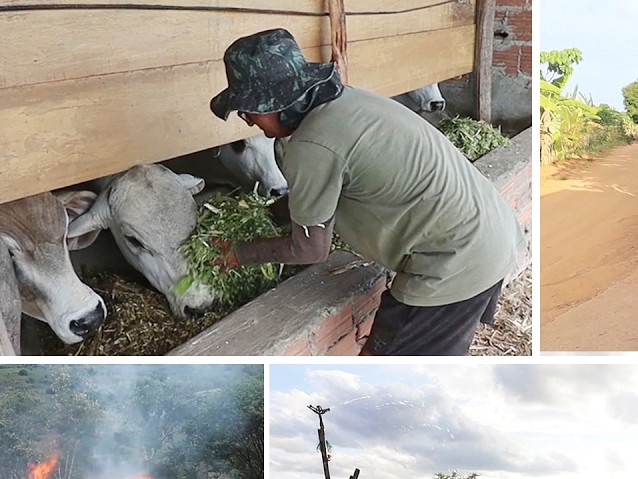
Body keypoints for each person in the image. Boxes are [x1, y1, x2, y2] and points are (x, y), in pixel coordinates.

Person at [207, 28, 524, 356]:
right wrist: (272, 213)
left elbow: (310, 249)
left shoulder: (311, 144)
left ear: (274, 102)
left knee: (381, 370)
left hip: (452, 263)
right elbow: (326, 186)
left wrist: (238, 254)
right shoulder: (348, 101)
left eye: (248, 110)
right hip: (491, 232)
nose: (248, 121)